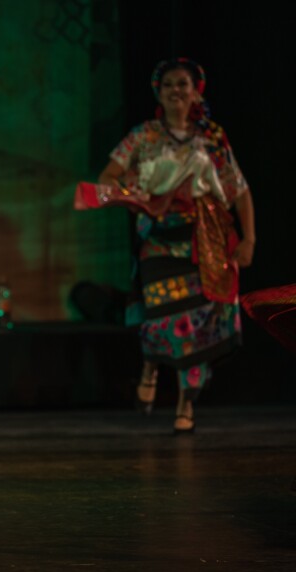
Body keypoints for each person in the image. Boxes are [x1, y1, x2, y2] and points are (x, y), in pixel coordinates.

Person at [98, 58, 256, 433]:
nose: (176, 91)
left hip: (204, 239)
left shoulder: (212, 137)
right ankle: (151, 367)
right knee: (161, 314)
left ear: (195, 90)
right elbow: (107, 179)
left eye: (183, 84)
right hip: (158, 239)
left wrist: (249, 238)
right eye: (168, 84)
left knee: (199, 324)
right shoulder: (145, 136)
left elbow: (239, 190)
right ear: (158, 91)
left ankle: (187, 405)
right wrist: (133, 188)